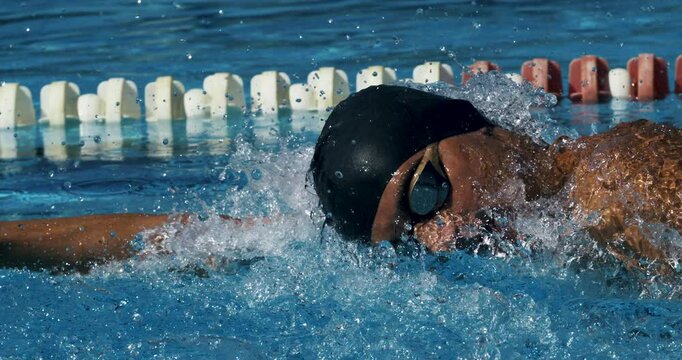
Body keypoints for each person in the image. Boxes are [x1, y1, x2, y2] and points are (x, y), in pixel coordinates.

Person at [1, 85, 680, 273]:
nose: (444, 237)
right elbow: (173, 240)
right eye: (412, 236)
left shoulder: (622, 179)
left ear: (466, 126)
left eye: (429, 192)